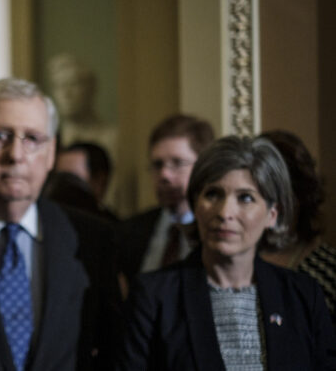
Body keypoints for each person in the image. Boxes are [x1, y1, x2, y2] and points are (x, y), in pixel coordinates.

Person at [119, 136, 336, 370]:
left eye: (245, 197)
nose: (225, 212)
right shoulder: (154, 296)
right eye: (213, 194)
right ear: (195, 205)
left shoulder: (303, 295)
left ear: (273, 214)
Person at [0, 78, 121, 371]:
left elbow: (112, 350)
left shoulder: (93, 239)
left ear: (51, 154)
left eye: (32, 139)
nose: (16, 155)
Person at [119, 114, 214, 285]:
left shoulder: (220, 231)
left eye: (177, 163)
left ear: (203, 166)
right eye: (157, 165)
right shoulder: (128, 231)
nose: (164, 175)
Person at [259, 130, 336, 326]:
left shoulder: (328, 271)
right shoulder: (227, 264)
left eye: (282, 193)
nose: (272, 207)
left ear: (302, 195)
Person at [54, 141, 118, 222]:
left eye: (70, 179)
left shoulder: (111, 228)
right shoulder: (43, 223)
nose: (61, 190)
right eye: (58, 178)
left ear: (99, 182)